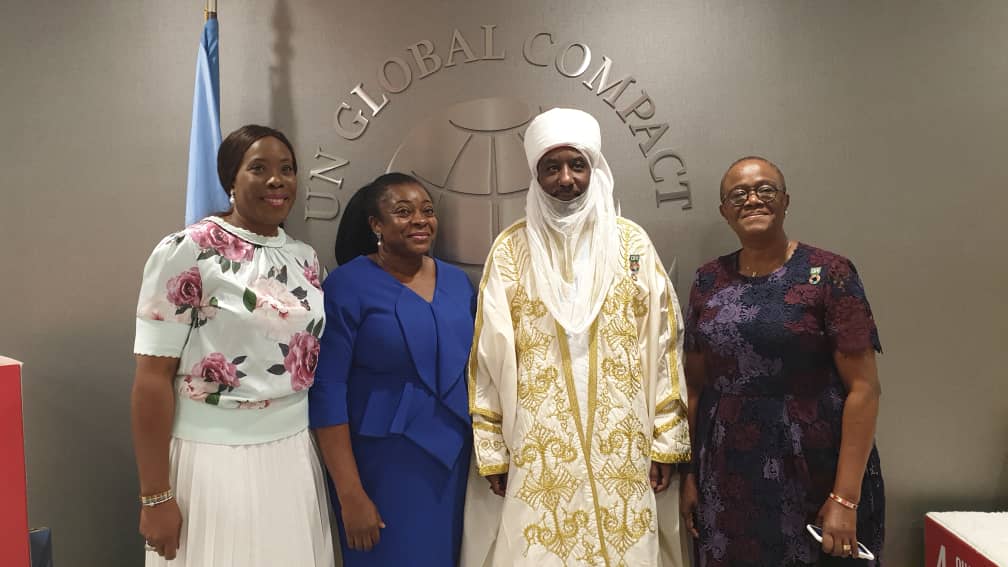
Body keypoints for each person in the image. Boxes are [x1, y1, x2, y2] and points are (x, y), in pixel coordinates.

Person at [467, 108, 691, 567]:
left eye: (577, 165)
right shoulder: (511, 249)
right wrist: (493, 449)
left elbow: (664, 342)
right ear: (536, 174)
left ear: (594, 168)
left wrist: (665, 440)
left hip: (623, 440)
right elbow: (488, 355)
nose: (566, 179)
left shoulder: (631, 244)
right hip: (538, 444)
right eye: (552, 167)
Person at [131, 125, 334, 566]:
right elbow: (151, 380)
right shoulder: (187, 250)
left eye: (287, 169)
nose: (276, 180)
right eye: (258, 168)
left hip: (292, 454)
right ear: (230, 179)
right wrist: (155, 496)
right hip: (214, 461)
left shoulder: (304, 258)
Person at [680, 156, 885, 566]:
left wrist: (846, 497)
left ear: (786, 201)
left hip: (814, 471)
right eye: (738, 194)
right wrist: (689, 476)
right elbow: (696, 387)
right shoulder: (707, 280)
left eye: (765, 189)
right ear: (724, 211)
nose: (752, 199)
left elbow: (864, 389)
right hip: (726, 476)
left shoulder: (829, 273)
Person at [310, 173, 475, 566]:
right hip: (381, 471)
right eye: (403, 212)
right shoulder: (346, 286)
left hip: (455, 468)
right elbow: (327, 392)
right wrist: (350, 494)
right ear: (376, 225)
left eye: (427, 211)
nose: (420, 220)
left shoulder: (459, 283)